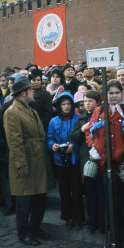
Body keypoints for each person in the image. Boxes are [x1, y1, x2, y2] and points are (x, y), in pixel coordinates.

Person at [86, 80, 124, 248]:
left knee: (122, 199)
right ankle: (107, 231)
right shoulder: (99, 111)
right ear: (105, 95)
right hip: (103, 162)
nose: (114, 96)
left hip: (121, 164)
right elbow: (89, 130)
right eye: (111, 93)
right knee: (105, 197)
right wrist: (92, 146)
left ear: (121, 94)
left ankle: (123, 231)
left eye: (117, 93)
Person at [3, 78, 52, 246]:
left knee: (40, 196)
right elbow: (14, 142)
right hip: (26, 160)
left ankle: (35, 227)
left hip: (38, 158)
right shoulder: (12, 112)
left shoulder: (29, 109)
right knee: (24, 199)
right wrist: (21, 164)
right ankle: (23, 232)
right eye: (31, 91)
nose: (33, 93)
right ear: (23, 93)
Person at [47, 92, 83, 228]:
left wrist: (75, 146)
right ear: (59, 106)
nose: (66, 107)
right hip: (60, 161)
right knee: (64, 190)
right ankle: (67, 216)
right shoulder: (53, 121)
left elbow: (83, 138)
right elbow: (49, 138)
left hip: (75, 160)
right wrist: (53, 145)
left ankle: (78, 217)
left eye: (69, 104)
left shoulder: (79, 119)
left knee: (77, 189)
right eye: (63, 104)